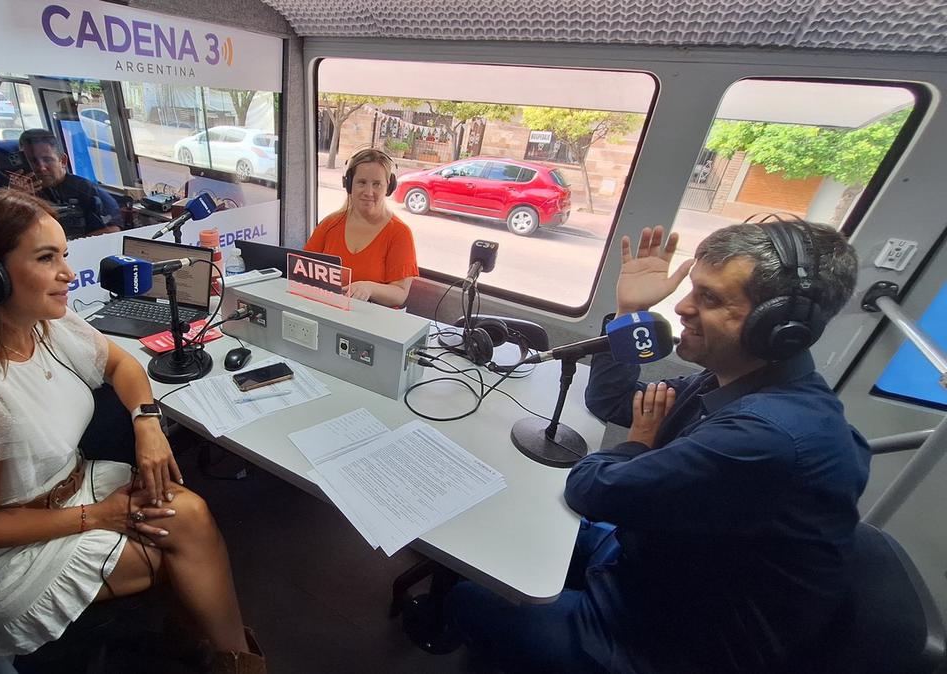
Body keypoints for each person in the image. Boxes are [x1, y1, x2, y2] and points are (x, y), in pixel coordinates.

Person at [446, 216, 870, 673]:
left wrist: (638, 445)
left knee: (469, 594)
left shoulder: (766, 439)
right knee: (502, 523)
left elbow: (590, 489)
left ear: (778, 327)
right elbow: (611, 400)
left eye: (709, 298)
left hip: (660, 640)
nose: (683, 307)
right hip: (651, 566)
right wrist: (628, 315)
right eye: (693, 289)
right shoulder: (734, 381)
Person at [0, 189, 264, 673]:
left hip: (72, 491)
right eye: (47, 259)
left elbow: (123, 364)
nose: (68, 273)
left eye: (63, 254)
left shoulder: (46, 327)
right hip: (10, 552)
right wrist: (99, 517)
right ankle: (229, 657)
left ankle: (221, 653)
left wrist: (148, 425)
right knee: (186, 542)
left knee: (190, 515)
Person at [305, 148, 418, 306]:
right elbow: (303, 270)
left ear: (388, 187)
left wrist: (369, 288)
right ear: (349, 184)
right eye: (362, 182)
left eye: (377, 184)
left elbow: (400, 293)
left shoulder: (399, 233)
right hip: (328, 313)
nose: (368, 192)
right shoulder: (329, 224)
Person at [14, 128, 121, 239]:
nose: (41, 168)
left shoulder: (86, 190)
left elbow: (113, 229)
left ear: (63, 161)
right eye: (33, 161)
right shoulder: (16, 194)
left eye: (47, 160)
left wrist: (71, 245)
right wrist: (14, 201)